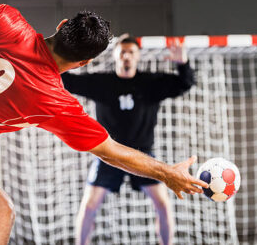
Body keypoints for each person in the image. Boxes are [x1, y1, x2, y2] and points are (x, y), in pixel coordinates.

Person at [0, 3, 208, 245]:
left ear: (61, 25)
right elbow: (110, 150)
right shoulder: (54, 101)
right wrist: (168, 172)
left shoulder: (2, 18)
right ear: (83, 62)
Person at [62, 35, 195, 245]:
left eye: (131, 52)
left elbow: (185, 83)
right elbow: (67, 81)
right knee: (88, 207)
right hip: (108, 154)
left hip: (143, 155)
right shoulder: (102, 83)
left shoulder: (150, 84)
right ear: (115, 55)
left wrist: (183, 63)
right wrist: (63, 57)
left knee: (163, 204)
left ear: (137, 57)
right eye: (122, 52)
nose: (126, 56)